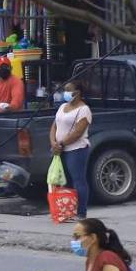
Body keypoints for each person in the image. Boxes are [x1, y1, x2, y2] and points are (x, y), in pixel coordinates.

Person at [50, 78, 93, 220]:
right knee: (64, 181)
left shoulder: (84, 110)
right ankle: (67, 210)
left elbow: (78, 132)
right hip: (59, 149)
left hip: (76, 149)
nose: (66, 93)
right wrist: (53, 142)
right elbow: (54, 126)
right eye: (65, 90)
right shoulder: (62, 107)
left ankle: (81, 212)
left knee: (78, 180)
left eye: (69, 90)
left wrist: (61, 144)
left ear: (77, 92)